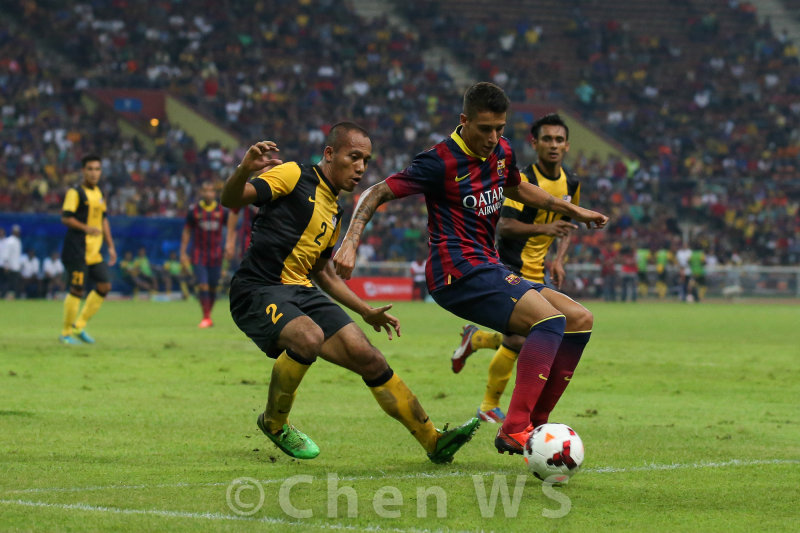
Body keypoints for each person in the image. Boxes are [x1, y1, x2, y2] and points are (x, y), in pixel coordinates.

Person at [334, 83, 608, 456]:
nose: (493, 138)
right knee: (549, 322)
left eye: (500, 128)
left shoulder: (502, 151)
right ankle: (514, 428)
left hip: (487, 265)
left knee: (579, 318)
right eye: (485, 129)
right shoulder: (438, 161)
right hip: (455, 272)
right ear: (464, 121)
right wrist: (350, 240)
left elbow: (518, 187)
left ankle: (535, 426)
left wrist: (572, 210)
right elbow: (376, 191)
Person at [220, 124, 480, 463]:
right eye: (353, 157)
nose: (360, 167)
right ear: (330, 154)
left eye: (366, 161)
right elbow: (231, 200)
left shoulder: (334, 210)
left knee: (368, 357)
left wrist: (365, 310)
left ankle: (434, 440)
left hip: (301, 290)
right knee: (308, 337)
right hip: (258, 288)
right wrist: (243, 169)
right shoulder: (292, 175)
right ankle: (274, 423)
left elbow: (323, 273)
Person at [447, 114, 595, 424]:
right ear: (535, 143)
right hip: (510, 265)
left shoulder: (572, 182)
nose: (553, 145)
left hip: (539, 270)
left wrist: (559, 259)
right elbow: (507, 227)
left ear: (567, 145)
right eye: (547, 139)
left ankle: (478, 344)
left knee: (532, 336)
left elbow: (567, 225)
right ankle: (492, 404)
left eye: (558, 140)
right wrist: (547, 228)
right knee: (525, 339)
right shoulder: (522, 180)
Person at [59, 154, 117, 344]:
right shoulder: (75, 193)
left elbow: (104, 220)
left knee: (104, 286)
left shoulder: (99, 194)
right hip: (77, 250)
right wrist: (86, 228)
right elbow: (66, 217)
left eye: (97, 169)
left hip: (94, 252)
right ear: (83, 171)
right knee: (77, 289)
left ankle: (79, 326)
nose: (94, 173)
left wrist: (111, 245)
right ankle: (65, 332)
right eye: (90, 169)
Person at [180, 181, 230, 327]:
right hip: (199, 254)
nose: (208, 193)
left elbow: (231, 229)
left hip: (216, 254)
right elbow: (187, 231)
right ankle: (206, 317)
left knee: (214, 286)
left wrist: (229, 245)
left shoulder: (222, 211)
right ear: (201, 193)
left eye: (211, 191)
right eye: (205, 191)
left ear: (215, 193)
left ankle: (208, 316)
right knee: (203, 285)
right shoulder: (194, 211)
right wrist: (183, 252)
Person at [3, 224, 22, 299]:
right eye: (16, 231)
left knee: (15, 283)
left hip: (16, 266)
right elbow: (6, 254)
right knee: (8, 283)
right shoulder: (9, 241)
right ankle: (5, 296)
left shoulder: (18, 240)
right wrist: (6, 265)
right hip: (10, 266)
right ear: (13, 231)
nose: (18, 233)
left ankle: (12, 296)